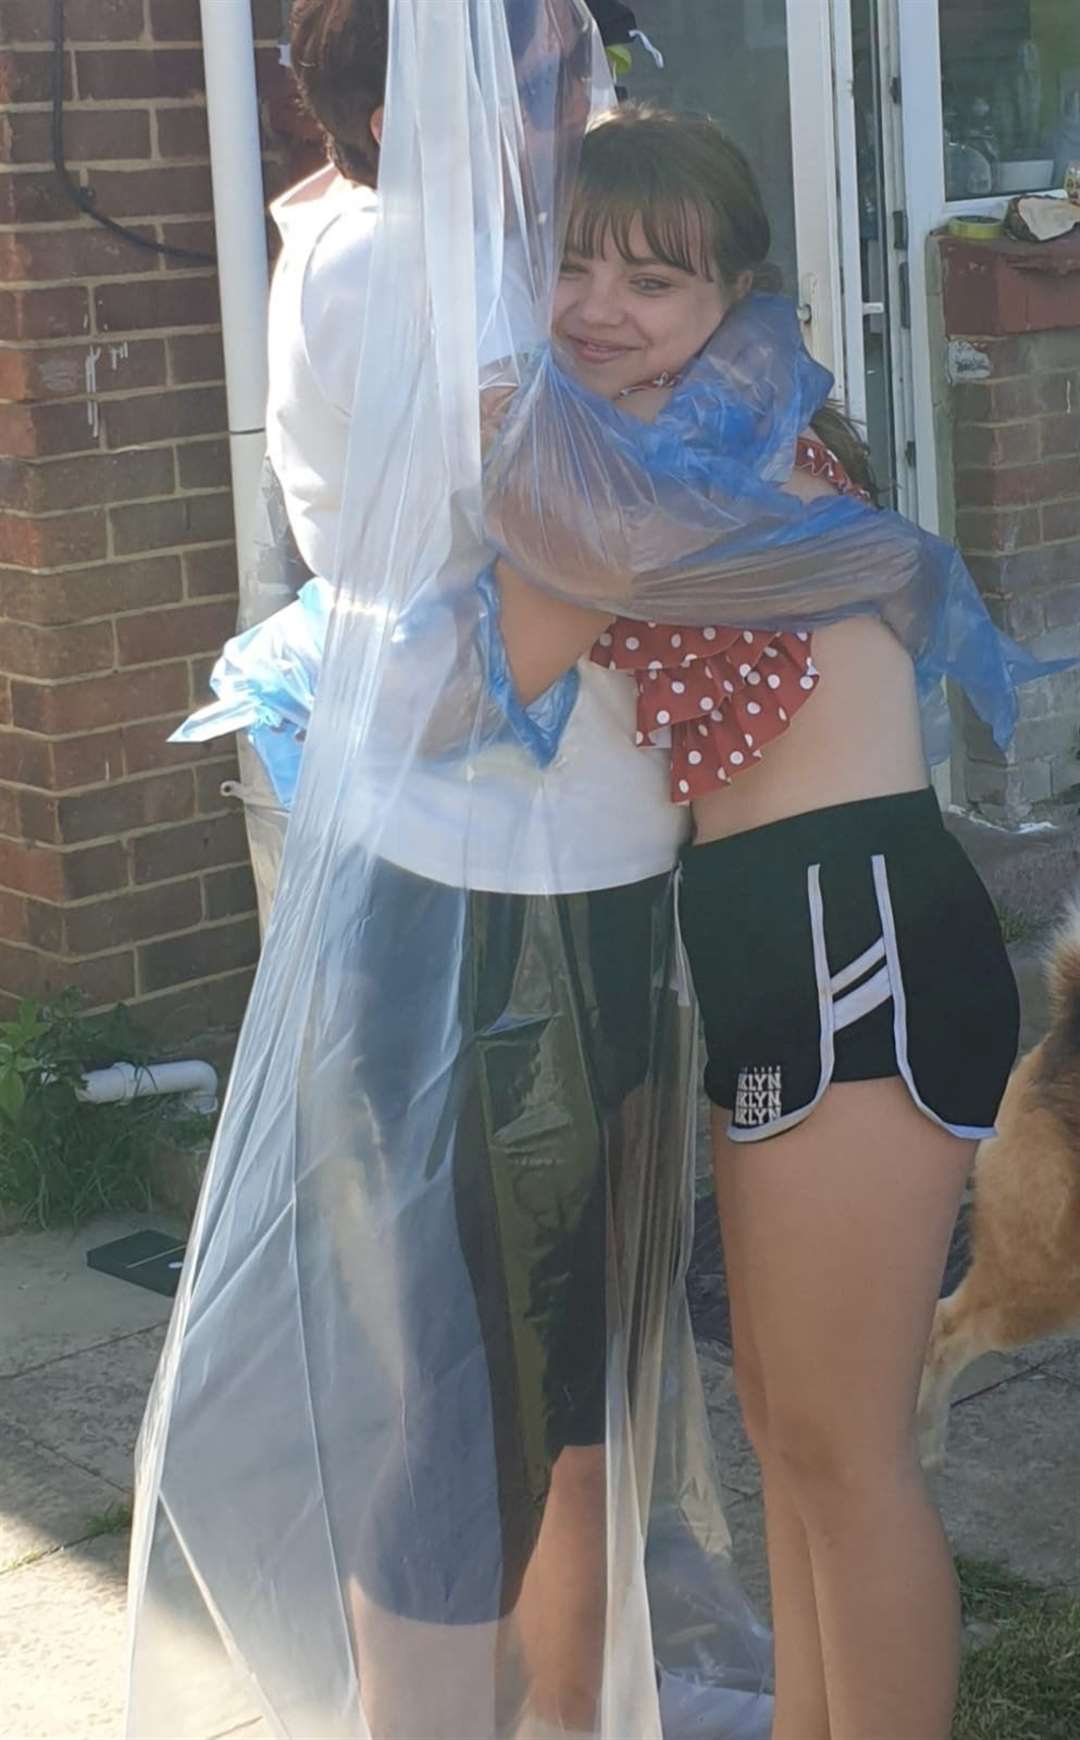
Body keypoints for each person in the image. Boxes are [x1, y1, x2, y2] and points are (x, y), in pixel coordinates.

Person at [126, 9, 771, 1740]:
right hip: (486, 902)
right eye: (562, 75)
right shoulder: (399, 268)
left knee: (578, 1374)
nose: (600, 99)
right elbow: (572, 533)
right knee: (464, 1389)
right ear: (445, 99)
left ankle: (564, 1710)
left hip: (591, 878)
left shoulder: (493, 252)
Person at [483, 106, 1028, 1740]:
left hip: (850, 942)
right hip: (782, 952)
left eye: (654, 278)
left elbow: (499, 657)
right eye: (571, 263)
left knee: (843, 1450)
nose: (599, 306)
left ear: (741, 301)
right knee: (789, 1425)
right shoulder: (667, 450)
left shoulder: (704, 477)